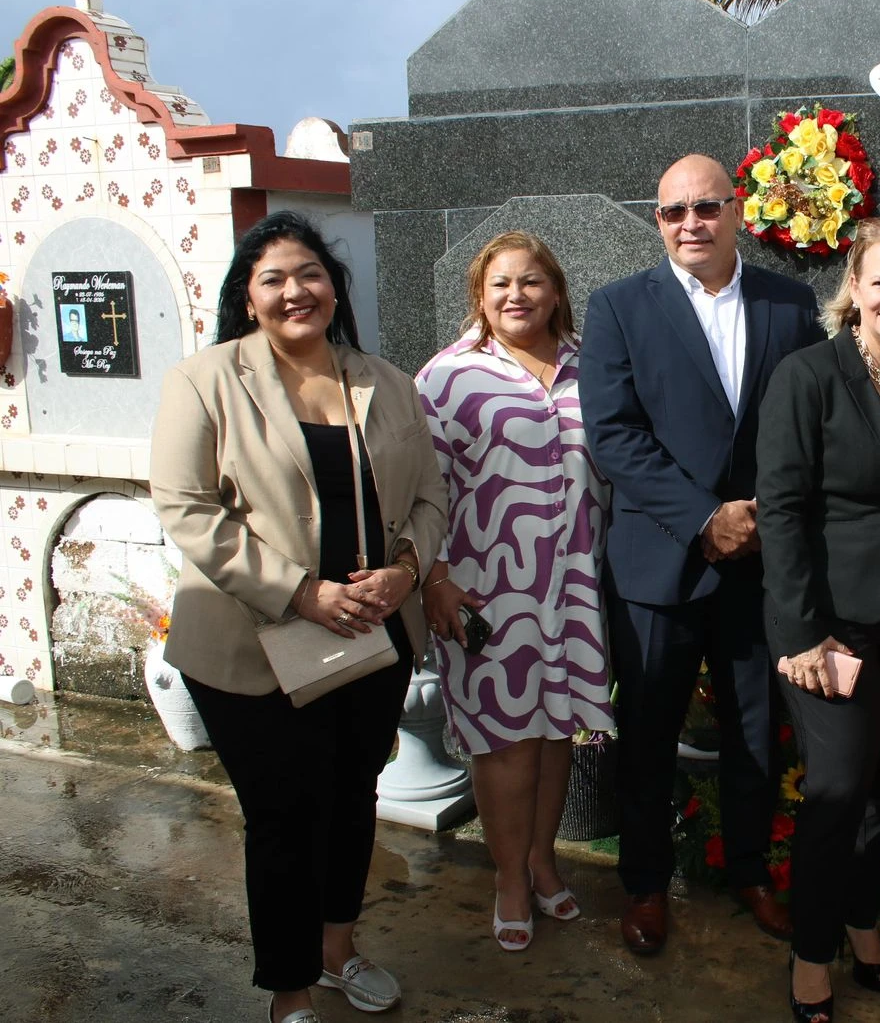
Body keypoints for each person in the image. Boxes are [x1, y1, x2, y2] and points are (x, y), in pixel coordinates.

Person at [149, 211, 447, 1023]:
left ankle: (338, 951)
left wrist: (406, 572)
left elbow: (429, 494)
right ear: (248, 297)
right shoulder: (205, 380)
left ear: (334, 289)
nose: (295, 291)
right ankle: (289, 989)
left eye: (310, 274)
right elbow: (185, 508)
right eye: (274, 278)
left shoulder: (385, 381)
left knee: (353, 796)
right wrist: (300, 591)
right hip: (254, 642)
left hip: (369, 635)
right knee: (284, 815)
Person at [578, 153, 824, 954]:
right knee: (647, 733)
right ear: (657, 220)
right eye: (674, 211)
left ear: (736, 212)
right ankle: (646, 885)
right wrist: (702, 519)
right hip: (659, 564)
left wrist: (757, 521)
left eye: (707, 207)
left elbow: (810, 425)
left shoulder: (788, 304)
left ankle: (750, 871)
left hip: (759, 564)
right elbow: (615, 437)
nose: (692, 223)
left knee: (757, 731)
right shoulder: (618, 308)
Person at [758, 219, 880, 1023]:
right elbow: (781, 511)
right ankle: (810, 957)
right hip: (832, 629)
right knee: (836, 791)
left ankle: (862, 924)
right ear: (854, 289)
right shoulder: (809, 376)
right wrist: (802, 634)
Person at [414, 231, 613, 952]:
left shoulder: (594, 366)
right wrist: (432, 576)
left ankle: (541, 859)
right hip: (486, 593)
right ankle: (506, 875)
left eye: (531, 281)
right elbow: (418, 489)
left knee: (557, 730)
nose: (516, 295)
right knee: (506, 742)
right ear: (479, 296)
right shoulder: (447, 377)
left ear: (556, 289)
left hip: (574, 589)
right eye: (500, 284)